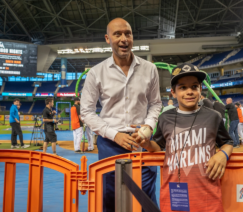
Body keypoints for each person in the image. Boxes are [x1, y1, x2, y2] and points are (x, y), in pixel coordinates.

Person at [81, 18, 162, 211]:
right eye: (118, 34)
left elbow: (156, 103)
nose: (124, 38)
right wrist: (114, 134)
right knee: (110, 196)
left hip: (141, 142)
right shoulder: (96, 73)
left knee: (145, 198)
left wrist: (148, 127)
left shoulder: (150, 69)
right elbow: (86, 112)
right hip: (110, 143)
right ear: (108, 39)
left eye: (128, 33)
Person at [133, 63, 233, 212]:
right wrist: (147, 144)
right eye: (183, 88)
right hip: (174, 196)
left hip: (208, 197)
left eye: (194, 87)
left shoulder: (213, 116)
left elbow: (228, 142)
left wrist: (223, 154)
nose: (190, 92)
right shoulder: (165, 118)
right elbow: (158, 145)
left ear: (200, 90)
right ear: (173, 92)